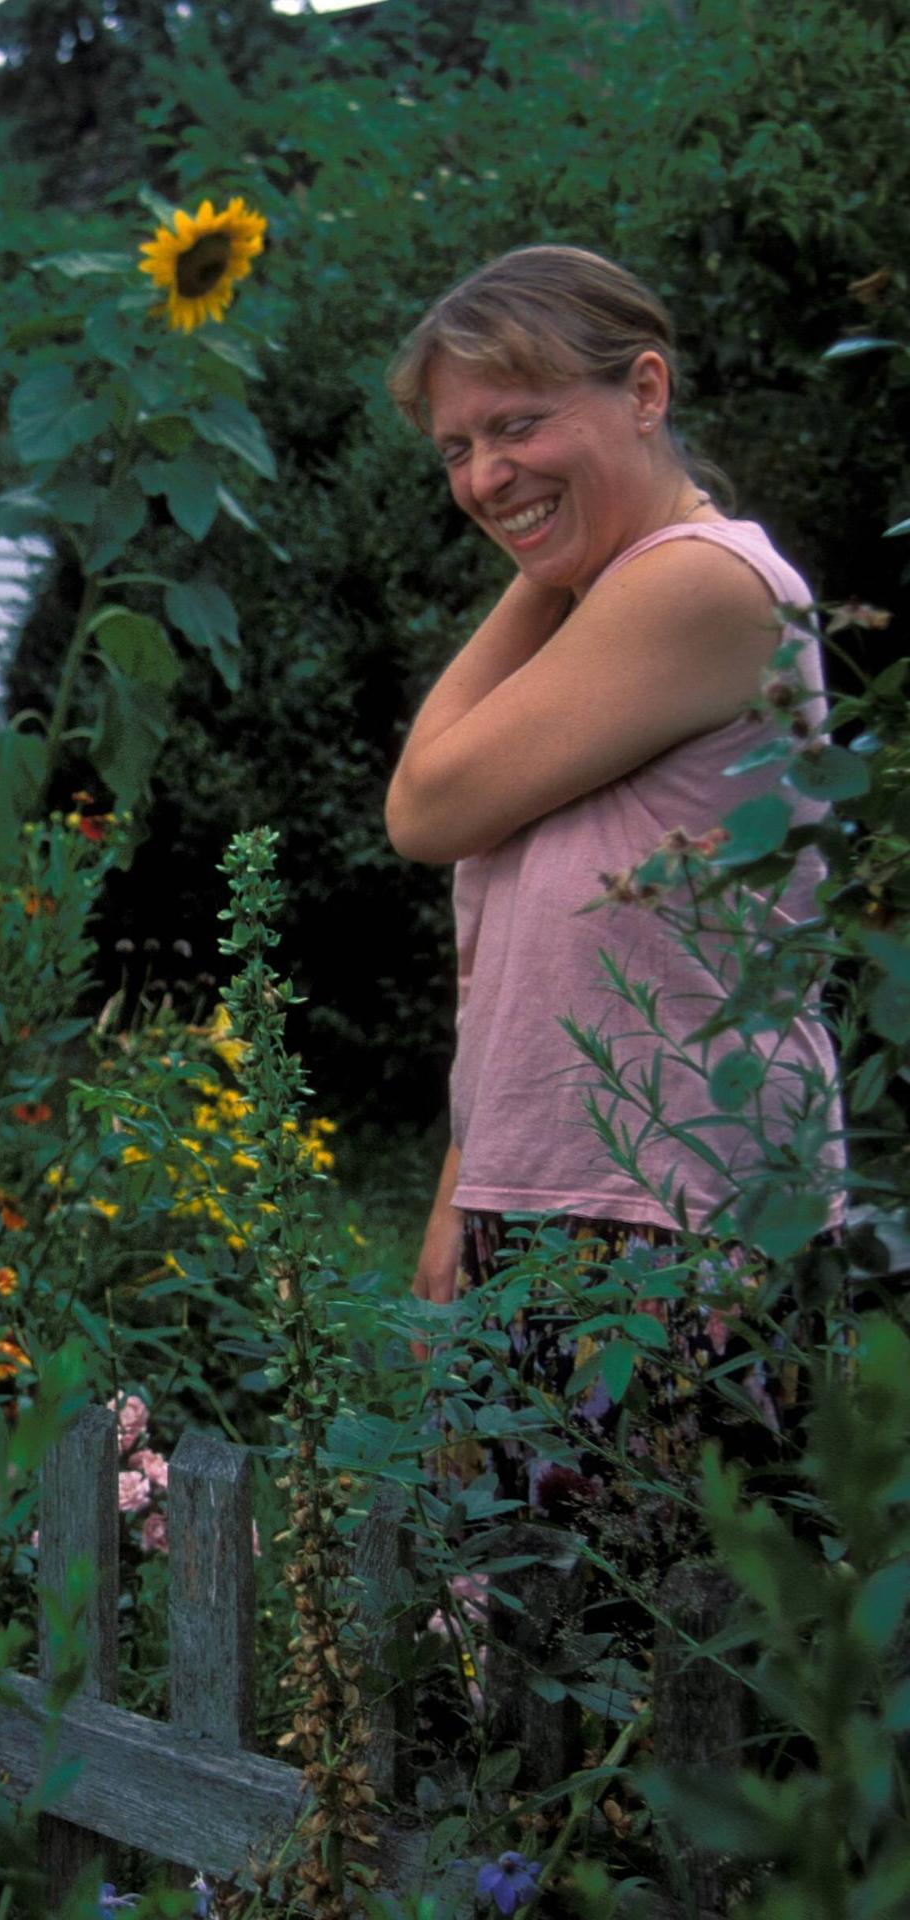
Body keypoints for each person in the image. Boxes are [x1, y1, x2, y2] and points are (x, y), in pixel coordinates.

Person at [383, 245, 839, 1541]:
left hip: (676, 1224)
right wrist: (461, 1197)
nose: (482, 477)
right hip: (552, 1203)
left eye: (519, 425)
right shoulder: (610, 600)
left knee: (659, 1674)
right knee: (527, 1666)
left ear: (646, 388)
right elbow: (538, 959)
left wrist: (550, 550)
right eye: (458, 449)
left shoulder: (700, 585)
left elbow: (424, 806)